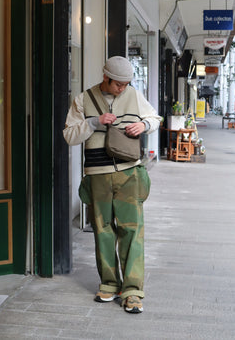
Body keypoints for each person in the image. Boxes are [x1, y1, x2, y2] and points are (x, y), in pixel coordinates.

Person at [63, 56, 162, 313]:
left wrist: (143, 125)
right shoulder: (83, 99)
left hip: (129, 172)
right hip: (97, 175)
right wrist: (94, 123)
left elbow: (155, 118)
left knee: (132, 231)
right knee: (102, 231)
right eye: (118, 84)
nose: (122, 88)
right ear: (105, 77)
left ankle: (132, 291)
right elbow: (69, 135)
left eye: (126, 83)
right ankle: (108, 284)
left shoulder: (133, 95)